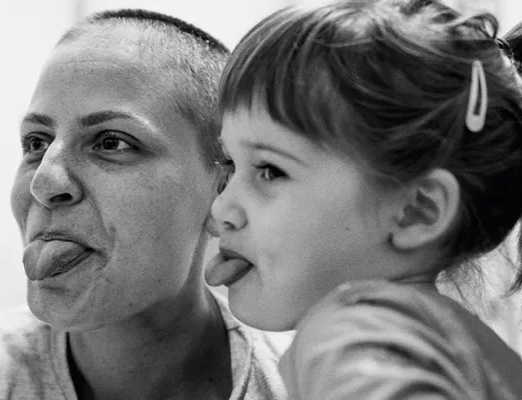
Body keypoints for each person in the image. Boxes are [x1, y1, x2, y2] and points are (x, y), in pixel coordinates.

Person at [0, 9, 289, 400]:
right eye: (36, 143)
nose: (44, 182)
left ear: (222, 190)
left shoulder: (309, 383)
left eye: (111, 142)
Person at [205, 0, 522, 398]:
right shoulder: (449, 342)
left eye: (270, 170)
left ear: (416, 211)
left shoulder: (353, 331)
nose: (221, 210)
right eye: (230, 164)